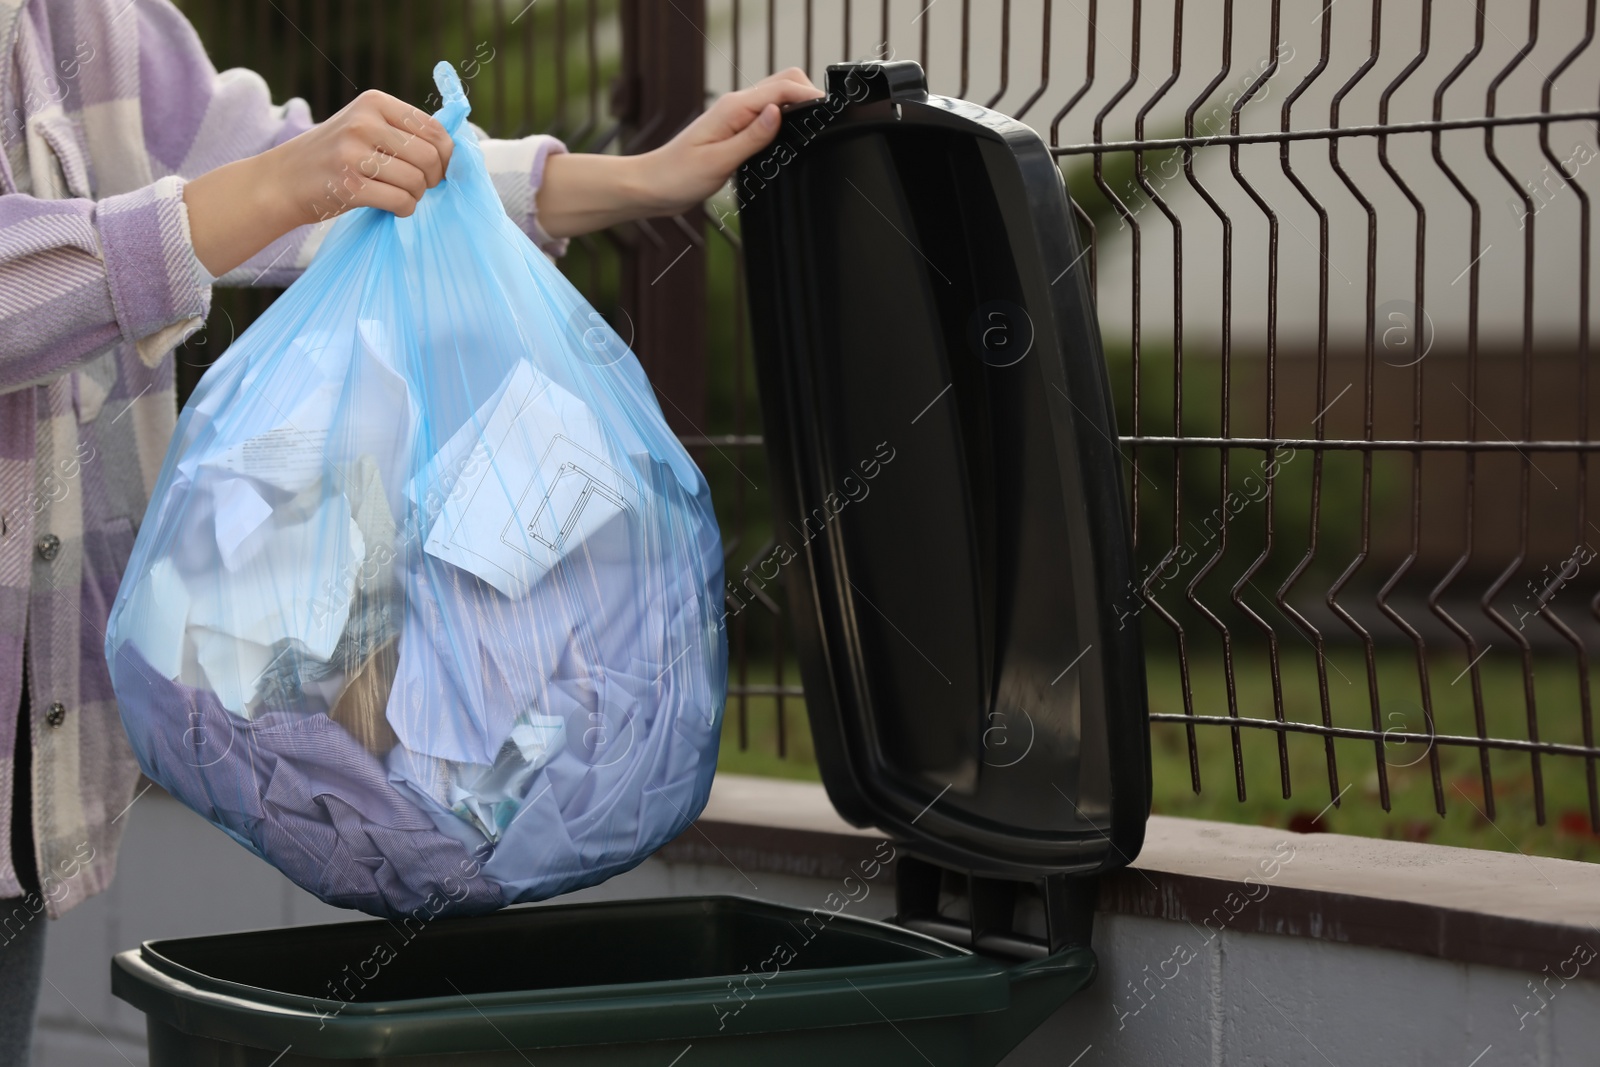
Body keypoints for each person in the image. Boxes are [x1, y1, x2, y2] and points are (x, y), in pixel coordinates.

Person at [0, 0, 821, 1060]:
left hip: (28, 768)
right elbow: (263, 182)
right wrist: (260, 191)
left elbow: (279, 159)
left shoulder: (84, 17)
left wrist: (645, 176)